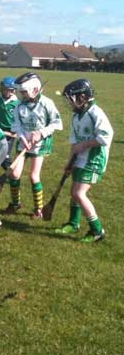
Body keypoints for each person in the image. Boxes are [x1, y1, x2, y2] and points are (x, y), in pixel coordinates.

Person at [55, 79, 113, 242]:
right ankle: (73, 224)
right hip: (80, 159)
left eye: (71, 98)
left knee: (79, 193)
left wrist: (85, 144)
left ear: (82, 97)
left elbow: (106, 137)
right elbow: (74, 143)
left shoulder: (96, 113)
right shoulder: (76, 116)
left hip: (94, 159)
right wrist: (69, 163)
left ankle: (97, 231)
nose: (69, 102)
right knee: (73, 193)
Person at [6, 72, 62, 218]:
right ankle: (15, 204)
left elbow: (57, 123)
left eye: (24, 92)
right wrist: (22, 137)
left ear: (35, 89)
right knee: (14, 174)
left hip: (41, 143)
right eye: (20, 92)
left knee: (33, 176)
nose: (21, 95)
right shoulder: (19, 105)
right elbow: (16, 125)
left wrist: (41, 133)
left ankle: (38, 210)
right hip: (24, 141)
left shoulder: (46, 103)